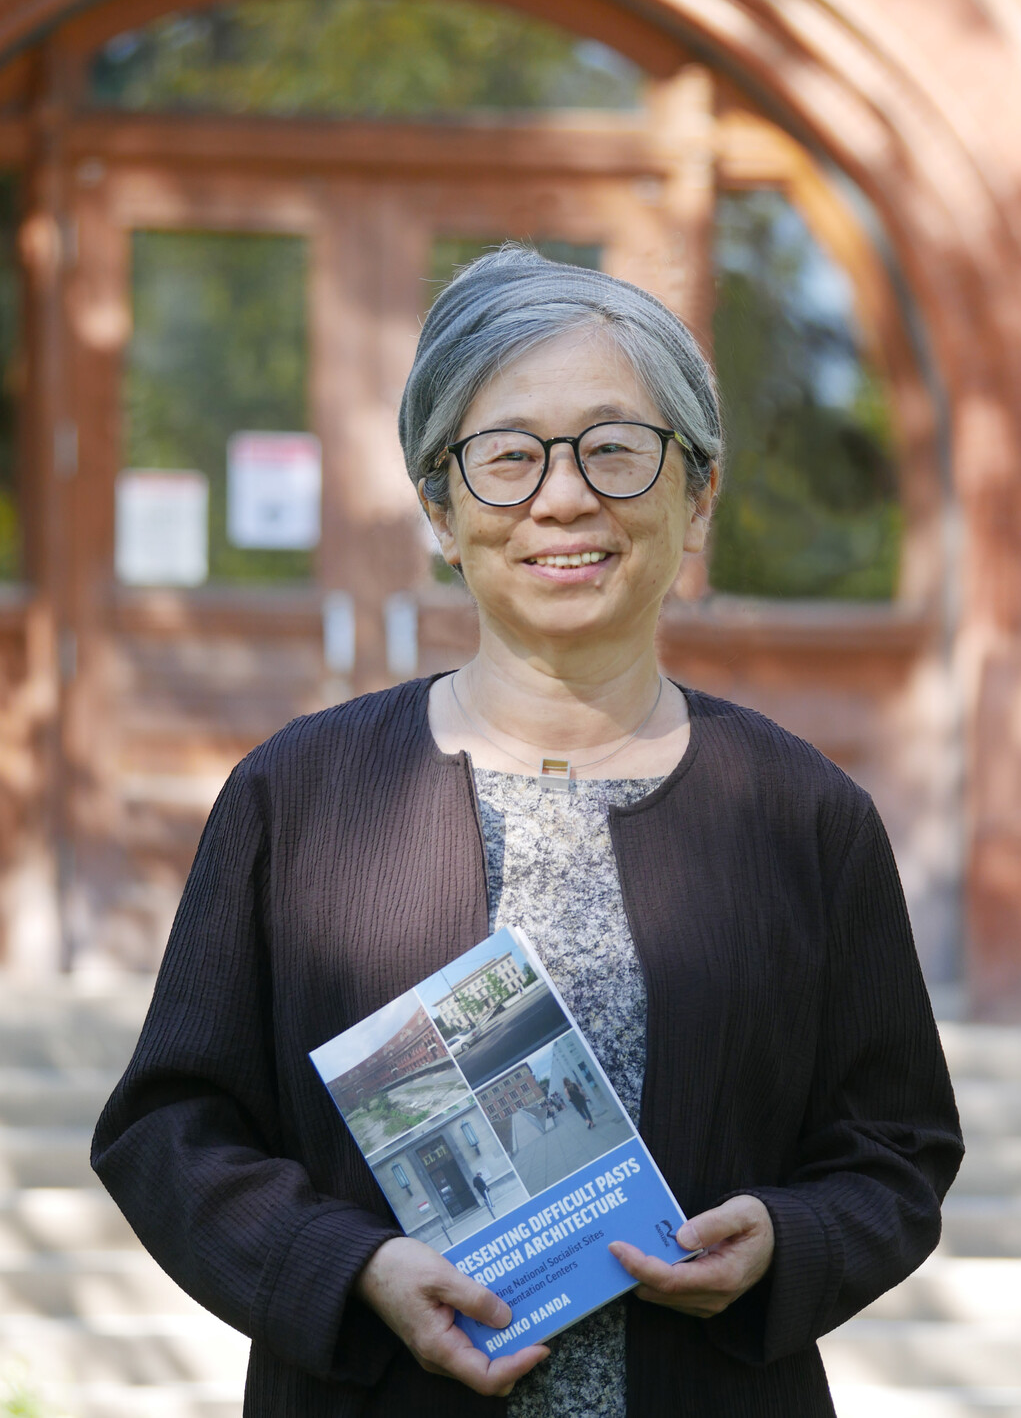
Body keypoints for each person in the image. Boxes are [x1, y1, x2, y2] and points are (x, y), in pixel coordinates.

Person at [92, 246, 962, 1418]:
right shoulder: (299, 796)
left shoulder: (803, 815)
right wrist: (350, 1266)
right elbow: (168, 1129)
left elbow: (896, 1148)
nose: (562, 497)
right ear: (441, 507)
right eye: (506, 455)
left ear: (695, 493)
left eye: (614, 447)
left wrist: (788, 1238)